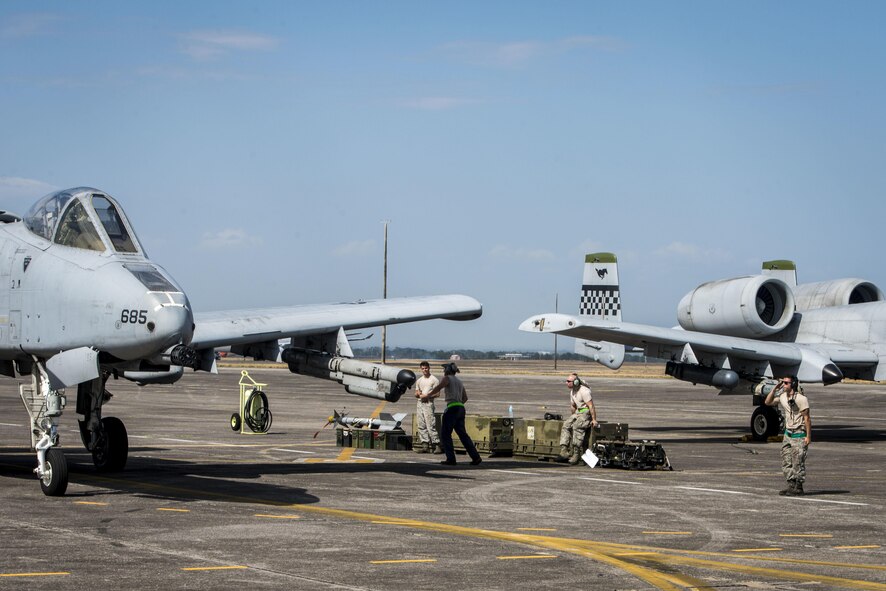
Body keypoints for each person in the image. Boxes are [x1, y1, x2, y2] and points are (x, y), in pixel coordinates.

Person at [426, 363, 482, 466]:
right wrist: (458, 404)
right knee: (463, 435)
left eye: (444, 370)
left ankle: (451, 459)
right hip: (461, 408)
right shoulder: (459, 382)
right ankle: (476, 457)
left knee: (445, 434)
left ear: (447, 370)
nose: (443, 371)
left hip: (452, 409)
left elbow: (439, 387)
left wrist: (428, 395)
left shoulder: (447, 378)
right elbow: (465, 398)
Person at [764, 375, 811, 496]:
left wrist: (808, 436)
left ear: (793, 384)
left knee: (797, 461)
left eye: (786, 383)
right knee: (786, 460)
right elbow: (768, 402)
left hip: (798, 434)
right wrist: (775, 388)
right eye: (783, 382)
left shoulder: (801, 399)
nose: (784, 385)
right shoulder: (782, 397)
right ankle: (791, 484)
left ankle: (798, 487)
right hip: (788, 434)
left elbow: (807, 419)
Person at [558, 373, 598, 465]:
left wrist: (594, 419)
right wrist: (573, 416)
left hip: (586, 413)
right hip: (578, 413)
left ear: (575, 382)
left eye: (569, 381)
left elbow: (591, 406)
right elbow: (573, 406)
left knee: (576, 426)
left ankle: (576, 454)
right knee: (566, 425)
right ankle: (564, 451)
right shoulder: (572, 391)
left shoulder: (584, 391)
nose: (566, 383)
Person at [413, 361, 442, 454]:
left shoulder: (434, 380)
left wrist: (427, 396)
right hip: (420, 403)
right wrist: (418, 394)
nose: (424, 370)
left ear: (429, 368)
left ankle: (437, 445)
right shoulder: (419, 380)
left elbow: (437, 394)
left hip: (428, 403)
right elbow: (416, 393)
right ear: (420, 369)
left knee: (430, 425)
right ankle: (425, 445)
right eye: (423, 368)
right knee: (421, 424)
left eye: (426, 368)